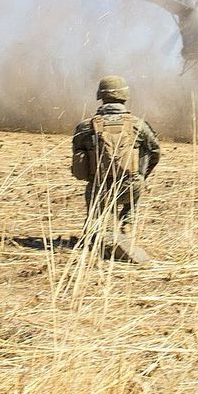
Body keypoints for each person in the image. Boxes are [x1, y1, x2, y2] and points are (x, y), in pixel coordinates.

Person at [71, 75, 160, 261]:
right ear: (125, 96)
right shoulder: (138, 125)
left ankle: (100, 231)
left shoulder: (85, 127)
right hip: (130, 188)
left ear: (100, 96)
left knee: (97, 223)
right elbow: (155, 152)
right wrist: (142, 175)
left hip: (99, 189)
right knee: (137, 184)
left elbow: (78, 161)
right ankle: (127, 224)